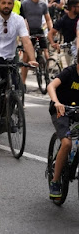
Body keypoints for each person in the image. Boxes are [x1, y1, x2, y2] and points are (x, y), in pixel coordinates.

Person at [47, 56, 79, 199]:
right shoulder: (69, 72)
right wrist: (56, 102)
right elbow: (51, 86)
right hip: (62, 110)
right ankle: (55, 181)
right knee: (66, 143)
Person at [20, 0, 53, 85]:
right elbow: (21, 19)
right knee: (25, 58)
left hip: (40, 30)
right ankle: (23, 83)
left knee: (45, 51)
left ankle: (46, 73)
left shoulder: (43, 4)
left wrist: (51, 31)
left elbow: (48, 19)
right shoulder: (25, 3)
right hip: (28, 32)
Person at [48, 0, 79, 65]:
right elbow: (50, 33)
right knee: (71, 68)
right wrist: (53, 44)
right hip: (68, 47)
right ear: (73, 8)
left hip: (78, 45)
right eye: (78, 6)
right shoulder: (63, 20)